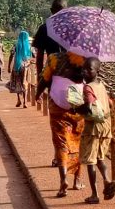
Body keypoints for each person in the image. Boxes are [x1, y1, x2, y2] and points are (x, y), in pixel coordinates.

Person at [36, 49, 86, 198]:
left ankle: (63, 180)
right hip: (78, 106)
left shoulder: (54, 58)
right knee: (78, 141)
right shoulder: (84, 59)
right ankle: (77, 180)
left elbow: (44, 79)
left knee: (60, 143)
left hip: (57, 105)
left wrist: (38, 94)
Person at [79, 58, 115, 204]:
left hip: (94, 127)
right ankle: (107, 181)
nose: (85, 72)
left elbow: (89, 106)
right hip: (105, 126)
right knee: (100, 157)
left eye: (89, 69)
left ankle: (94, 194)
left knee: (90, 161)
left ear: (97, 71)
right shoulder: (101, 85)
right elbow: (109, 102)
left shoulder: (87, 87)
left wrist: (77, 108)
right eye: (84, 69)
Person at [33, 0, 67, 74]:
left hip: (52, 71)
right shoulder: (72, 29)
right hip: (69, 73)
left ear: (51, 10)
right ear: (66, 11)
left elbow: (39, 57)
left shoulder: (44, 28)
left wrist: (39, 76)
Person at [8, 31, 33, 108]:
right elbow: (33, 55)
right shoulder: (29, 46)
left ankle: (18, 100)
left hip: (17, 66)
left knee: (17, 83)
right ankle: (25, 102)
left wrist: (9, 66)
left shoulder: (16, 45)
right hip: (25, 67)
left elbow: (11, 55)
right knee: (24, 83)